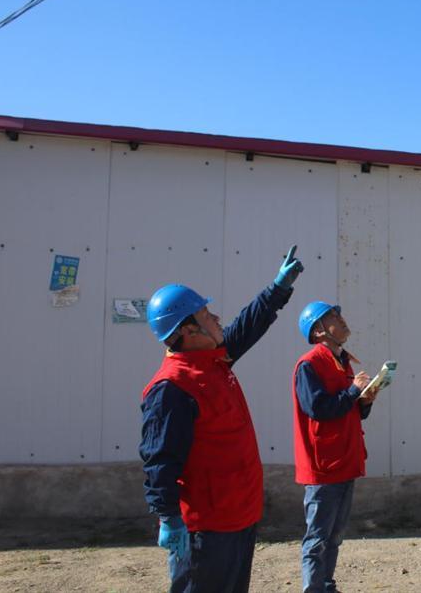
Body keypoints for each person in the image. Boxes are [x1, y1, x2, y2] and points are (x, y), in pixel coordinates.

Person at [139, 245, 304, 593]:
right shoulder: (172, 388)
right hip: (206, 529)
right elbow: (159, 460)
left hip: (239, 517)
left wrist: (278, 289)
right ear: (187, 330)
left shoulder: (214, 362)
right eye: (206, 314)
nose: (216, 319)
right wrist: (169, 518)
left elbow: (247, 326)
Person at [293, 301, 380, 593]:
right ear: (318, 332)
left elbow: (347, 410)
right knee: (318, 536)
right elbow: (318, 408)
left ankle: (325, 586)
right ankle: (313, 588)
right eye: (333, 317)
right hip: (323, 466)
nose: (341, 320)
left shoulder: (342, 362)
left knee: (335, 535)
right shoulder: (309, 365)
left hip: (344, 460)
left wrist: (364, 401)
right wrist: (354, 390)